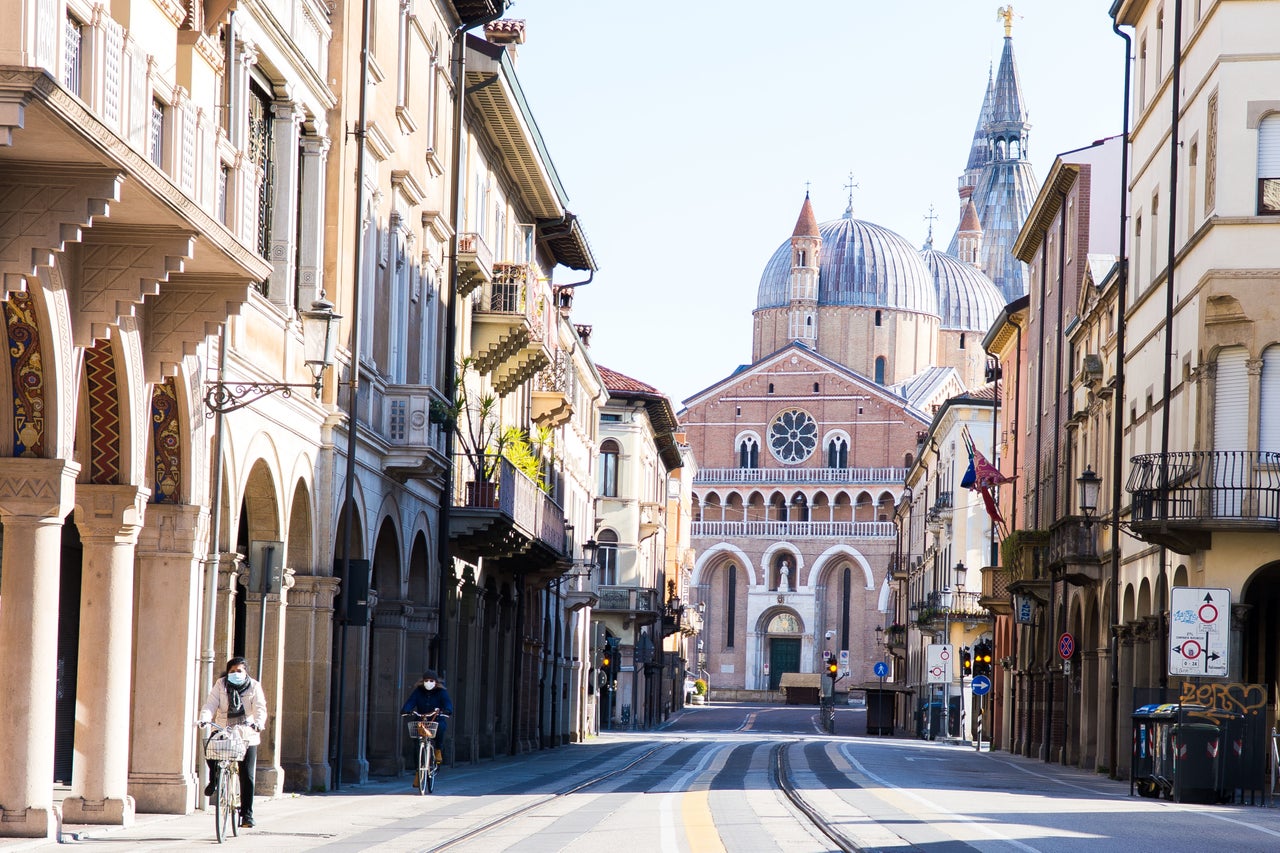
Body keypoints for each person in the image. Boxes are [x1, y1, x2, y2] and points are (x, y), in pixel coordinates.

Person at [199, 657, 268, 829]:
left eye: (239, 671)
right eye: (232, 671)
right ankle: (215, 779)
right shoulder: (221, 684)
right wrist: (204, 719)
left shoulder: (254, 686)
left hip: (247, 734)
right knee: (211, 750)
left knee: (247, 775)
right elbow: (210, 704)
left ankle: (247, 815)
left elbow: (260, 708)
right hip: (224, 729)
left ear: (246, 672)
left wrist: (259, 723)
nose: (235, 674)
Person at [401, 669, 453, 766]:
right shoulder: (418, 691)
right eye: (426, 680)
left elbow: (447, 703)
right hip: (422, 719)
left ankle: (438, 749)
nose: (429, 683)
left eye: (431, 681)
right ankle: (418, 771)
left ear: (436, 682)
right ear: (423, 681)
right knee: (417, 741)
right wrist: (406, 710)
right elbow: (411, 701)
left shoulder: (441, 692)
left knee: (440, 728)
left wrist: (447, 710)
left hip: (436, 719)